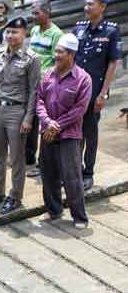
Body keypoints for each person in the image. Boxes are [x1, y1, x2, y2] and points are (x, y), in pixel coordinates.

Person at [0, 16, 40, 215]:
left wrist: (28, 118)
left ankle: (15, 196)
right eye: (8, 32)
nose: (10, 35)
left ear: (24, 34)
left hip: (17, 111)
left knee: (16, 158)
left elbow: (34, 90)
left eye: (15, 32)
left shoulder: (31, 58)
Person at [36, 33, 92, 229]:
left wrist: (56, 126)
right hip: (47, 133)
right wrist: (47, 122)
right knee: (48, 173)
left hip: (69, 135)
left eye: (60, 52)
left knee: (72, 177)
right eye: (56, 51)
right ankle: (54, 210)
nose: (56, 55)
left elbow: (79, 110)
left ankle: (79, 217)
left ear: (71, 55)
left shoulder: (83, 79)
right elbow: (40, 100)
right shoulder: (48, 74)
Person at [72, 0, 122, 190]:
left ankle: (88, 173)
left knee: (90, 133)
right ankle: (75, 168)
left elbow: (112, 63)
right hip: (75, 91)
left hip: (95, 92)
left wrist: (103, 94)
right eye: (85, 4)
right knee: (74, 131)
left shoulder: (110, 30)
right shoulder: (79, 28)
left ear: (102, 7)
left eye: (91, 4)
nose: (86, 7)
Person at [26, 0, 63, 178]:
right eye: (32, 13)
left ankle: (45, 165)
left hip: (46, 85)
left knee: (44, 123)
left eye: (36, 13)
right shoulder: (33, 31)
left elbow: (58, 61)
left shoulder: (56, 34)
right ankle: (31, 159)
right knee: (30, 122)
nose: (33, 17)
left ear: (47, 13)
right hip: (31, 82)